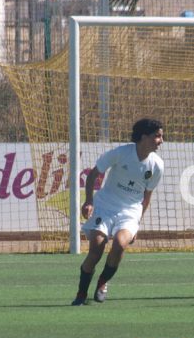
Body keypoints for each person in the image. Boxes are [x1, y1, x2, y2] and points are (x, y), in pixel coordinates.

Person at [71, 118, 165, 305]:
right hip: (105, 206)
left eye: (162, 136)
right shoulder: (121, 153)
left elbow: (147, 196)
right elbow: (93, 175)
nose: (161, 140)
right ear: (144, 137)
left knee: (121, 244)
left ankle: (102, 283)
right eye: (158, 136)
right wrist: (88, 201)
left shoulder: (157, 165)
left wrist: (137, 224)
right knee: (96, 250)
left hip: (130, 211)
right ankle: (81, 294)